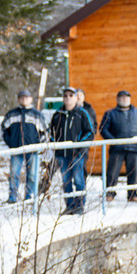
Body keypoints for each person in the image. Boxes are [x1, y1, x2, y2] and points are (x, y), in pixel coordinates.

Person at [49, 86, 94, 215]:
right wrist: (55, 145)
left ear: (75, 97)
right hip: (62, 154)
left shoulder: (82, 113)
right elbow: (51, 132)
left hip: (77, 154)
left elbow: (90, 132)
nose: (68, 98)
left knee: (79, 180)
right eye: (65, 96)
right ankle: (70, 206)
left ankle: (79, 205)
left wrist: (79, 145)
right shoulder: (57, 114)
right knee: (66, 181)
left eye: (71, 95)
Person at [99, 90, 137, 202]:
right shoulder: (110, 113)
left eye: (126, 97)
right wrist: (113, 141)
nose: (124, 99)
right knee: (112, 172)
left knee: (133, 173)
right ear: (117, 99)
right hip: (117, 148)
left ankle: (132, 195)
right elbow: (104, 128)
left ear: (130, 99)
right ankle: (110, 194)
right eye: (122, 97)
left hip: (134, 148)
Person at [1, 88, 46, 203]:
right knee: (14, 174)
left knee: (32, 175)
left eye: (26, 97)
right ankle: (12, 197)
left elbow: (44, 132)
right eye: (21, 97)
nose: (24, 99)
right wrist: (10, 142)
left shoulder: (37, 115)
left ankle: (29, 197)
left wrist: (38, 144)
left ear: (31, 99)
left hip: (32, 150)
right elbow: (4, 129)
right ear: (18, 99)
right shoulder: (12, 114)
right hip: (16, 149)